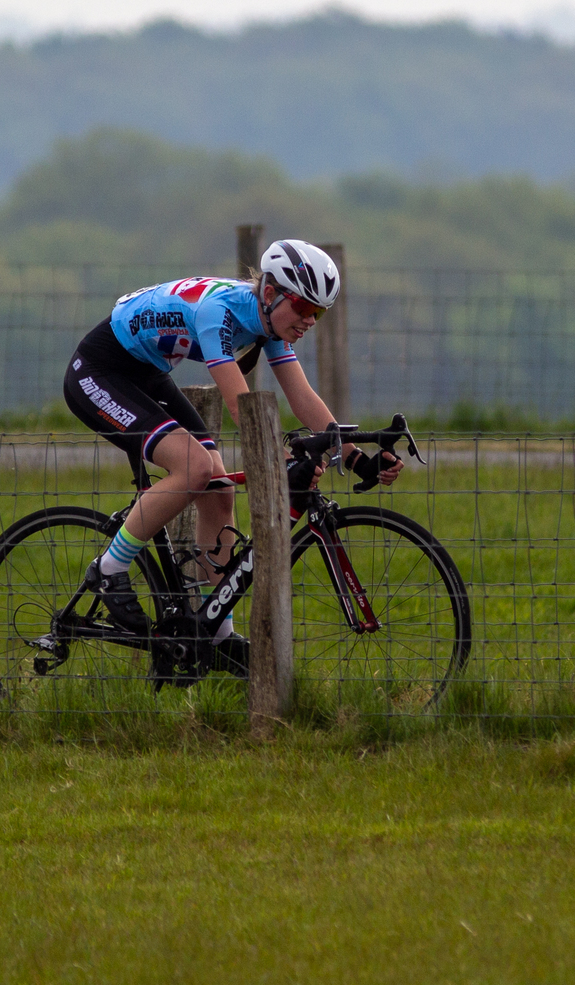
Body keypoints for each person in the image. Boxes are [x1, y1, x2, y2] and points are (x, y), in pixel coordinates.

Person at [61, 238, 399, 678]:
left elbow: (303, 399)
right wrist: (279, 459)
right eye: (302, 307)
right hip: (99, 370)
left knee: (218, 490)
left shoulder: (268, 323)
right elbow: (241, 408)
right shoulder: (217, 312)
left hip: (144, 373)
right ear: (272, 292)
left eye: (319, 313)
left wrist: (358, 460)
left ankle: (215, 633)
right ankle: (109, 568)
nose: (309, 321)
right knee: (195, 467)